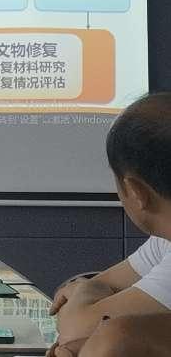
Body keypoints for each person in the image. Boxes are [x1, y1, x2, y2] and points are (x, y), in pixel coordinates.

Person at [46, 92, 171, 356]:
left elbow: (77, 330)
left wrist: (88, 290)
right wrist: (91, 292)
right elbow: (103, 286)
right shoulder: (164, 239)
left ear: (136, 192)